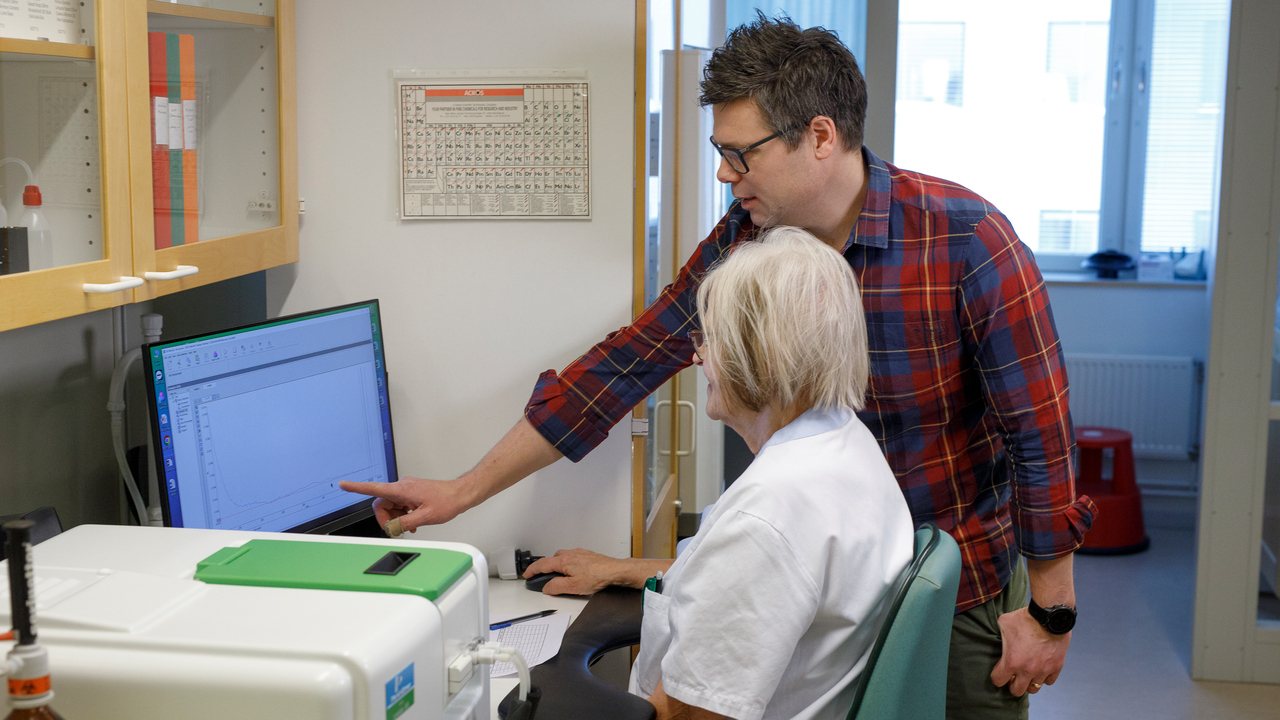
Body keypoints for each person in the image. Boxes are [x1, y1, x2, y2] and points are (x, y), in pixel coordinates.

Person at [341, 14, 1096, 719]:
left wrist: (1051, 613)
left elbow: (1041, 438)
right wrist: (462, 491)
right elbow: (627, 364)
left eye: (742, 154)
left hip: (958, 588)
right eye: (720, 156)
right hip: (826, 589)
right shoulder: (748, 238)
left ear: (821, 136)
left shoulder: (965, 241)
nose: (729, 177)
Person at [631, 225, 912, 720]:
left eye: (711, 338)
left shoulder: (770, 512)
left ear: (759, 353)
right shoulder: (843, 441)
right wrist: (621, 572)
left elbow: (693, 713)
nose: (697, 356)